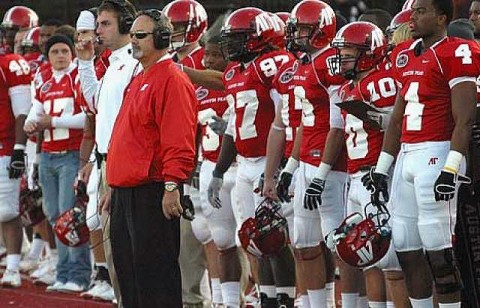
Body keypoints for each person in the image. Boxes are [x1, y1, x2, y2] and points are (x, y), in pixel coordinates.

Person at [364, 0, 479, 307]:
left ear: (442, 18)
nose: (413, 17)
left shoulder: (457, 52)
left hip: (437, 153)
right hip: (406, 155)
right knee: (405, 247)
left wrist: (452, 167)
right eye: (413, 11)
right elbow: (397, 119)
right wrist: (382, 167)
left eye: (422, 11)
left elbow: (465, 119)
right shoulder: (406, 55)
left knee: (439, 253)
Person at [106, 9, 197, 308]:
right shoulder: (140, 77)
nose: (133, 41)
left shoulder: (171, 79)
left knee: (155, 279)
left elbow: (179, 138)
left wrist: (172, 186)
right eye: (132, 35)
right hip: (126, 191)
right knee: (130, 278)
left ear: (161, 38)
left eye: (140, 35)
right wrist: (113, 185)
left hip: (152, 191)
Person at [76, 0, 138, 305]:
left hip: (122, 166)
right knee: (111, 244)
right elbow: (95, 105)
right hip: (104, 162)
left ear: (126, 26)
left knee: (127, 252)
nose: (98, 30)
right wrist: (85, 63)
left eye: (105, 24)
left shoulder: (134, 63)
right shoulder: (113, 62)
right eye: (98, 24)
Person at [24, 34, 91, 293]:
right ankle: (63, 272)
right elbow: (36, 109)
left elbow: (86, 118)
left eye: (65, 51)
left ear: (72, 54)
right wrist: (32, 122)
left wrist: (51, 122)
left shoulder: (78, 78)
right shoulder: (43, 79)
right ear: (48, 55)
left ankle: (79, 273)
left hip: (71, 153)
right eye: (55, 52)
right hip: (49, 155)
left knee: (69, 216)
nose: (61, 56)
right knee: (54, 215)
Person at [0, 47, 31, 288]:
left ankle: (12, 268)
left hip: (5, 147)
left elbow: (22, 112)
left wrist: (19, 148)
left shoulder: (10, 64)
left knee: (7, 211)